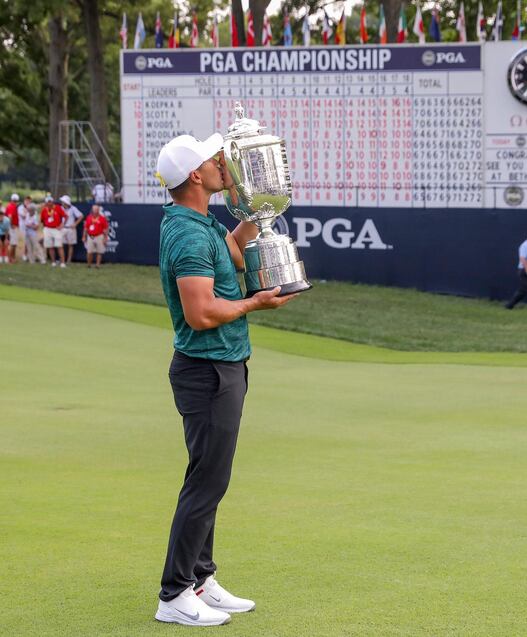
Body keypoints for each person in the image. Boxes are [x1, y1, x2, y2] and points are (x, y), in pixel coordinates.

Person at [154, 133, 298, 627]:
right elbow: (200, 312)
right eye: (213, 159)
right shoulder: (189, 234)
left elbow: (234, 253)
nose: (222, 163)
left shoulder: (200, 221)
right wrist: (256, 303)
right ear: (195, 176)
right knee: (207, 483)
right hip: (207, 369)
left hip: (223, 365)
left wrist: (257, 217)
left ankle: (200, 578)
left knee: (209, 479)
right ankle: (174, 595)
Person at [40, 195, 67, 267]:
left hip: (56, 229)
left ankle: (63, 262)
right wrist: (45, 228)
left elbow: (65, 216)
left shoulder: (58, 208)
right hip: (47, 229)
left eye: (50, 202)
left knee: (59, 246)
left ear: (52, 202)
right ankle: (53, 262)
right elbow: (42, 220)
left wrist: (62, 225)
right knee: (50, 246)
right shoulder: (44, 210)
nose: (49, 203)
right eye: (47, 202)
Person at [19, 196, 44, 264]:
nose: (29, 210)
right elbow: (25, 221)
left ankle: (42, 259)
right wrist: (29, 225)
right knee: (29, 247)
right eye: (28, 209)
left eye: (30, 209)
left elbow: (36, 227)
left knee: (36, 246)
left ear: (33, 210)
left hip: (33, 233)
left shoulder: (35, 216)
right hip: (27, 233)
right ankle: (31, 260)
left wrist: (30, 226)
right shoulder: (26, 215)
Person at [59, 195, 84, 265]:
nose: (62, 203)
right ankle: (62, 259)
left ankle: (69, 260)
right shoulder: (60, 208)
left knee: (70, 245)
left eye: (63, 202)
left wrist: (75, 223)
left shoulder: (73, 208)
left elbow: (81, 216)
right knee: (61, 245)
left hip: (70, 229)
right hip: (63, 228)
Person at [6, 193, 20, 263]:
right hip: (13, 227)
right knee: (12, 244)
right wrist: (11, 225)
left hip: (13, 226)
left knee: (13, 244)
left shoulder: (11, 206)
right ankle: (10, 259)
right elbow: (10, 217)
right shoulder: (12, 206)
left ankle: (12, 258)